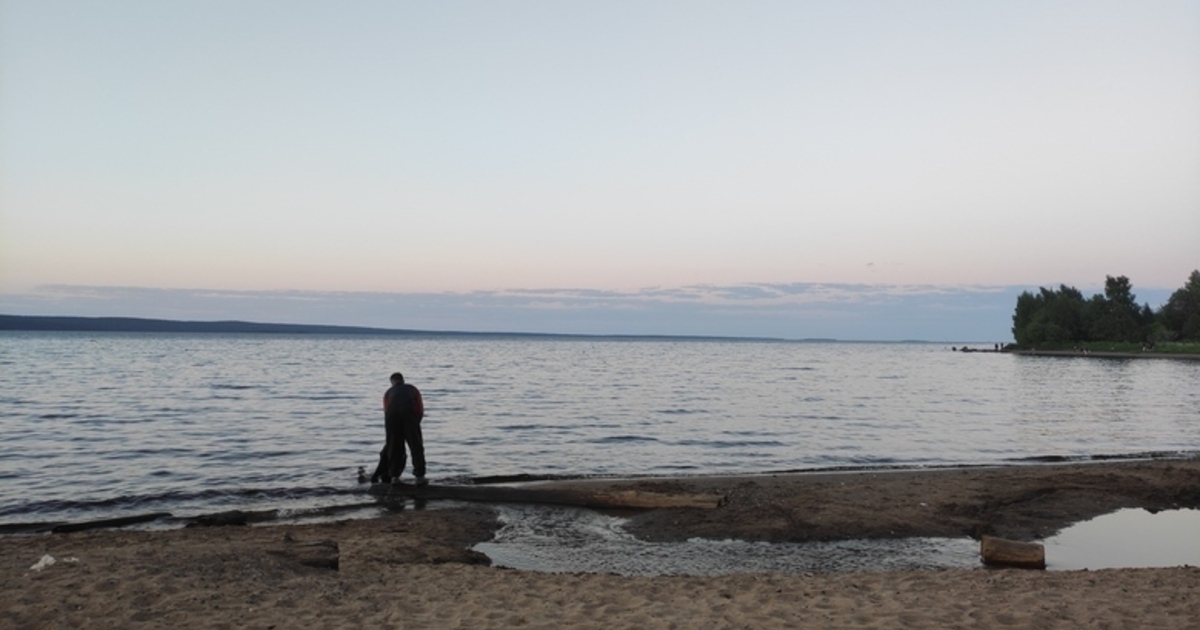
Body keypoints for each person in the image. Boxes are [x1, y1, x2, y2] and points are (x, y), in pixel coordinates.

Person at [381, 371, 427, 486]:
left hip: (392, 418)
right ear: (403, 380)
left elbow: (386, 409)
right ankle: (419, 477)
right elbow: (419, 408)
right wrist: (416, 423)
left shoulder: (388, 392)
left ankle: (395, 477)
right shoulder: (412, 389)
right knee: (416, 446)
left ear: (392, 382)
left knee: (394, 447)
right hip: (409, 416)